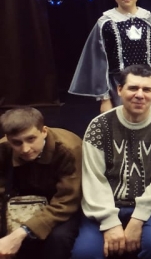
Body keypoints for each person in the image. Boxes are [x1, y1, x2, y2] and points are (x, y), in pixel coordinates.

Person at [72, 64, 151, 259]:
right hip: (107, 203)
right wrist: (110, 222)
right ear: (119, 90)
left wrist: (137, 219)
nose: (140, 95)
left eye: (146, 89)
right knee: (85, 253)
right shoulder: (99, 126)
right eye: (133, 88)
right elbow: (94, 179)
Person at [70, 0, 151, 114]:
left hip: (148, 84)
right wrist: (105, 98)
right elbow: (99, 62)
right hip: (118, 86)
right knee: (121, 121)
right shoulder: (106, 23)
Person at [0, 108, 82, 259]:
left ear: (44, 131)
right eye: (16, 143)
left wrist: (22, 232)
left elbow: (68, 201)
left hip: (59, 207)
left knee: (58, 239)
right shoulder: (3, 149)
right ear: (8, 138)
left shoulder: (68, 149)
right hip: (18, 201)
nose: (25, 149)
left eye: (31, 139)